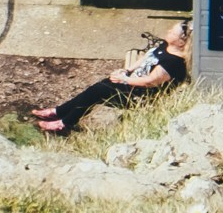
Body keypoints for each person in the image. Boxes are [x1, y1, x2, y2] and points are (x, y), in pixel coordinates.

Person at [31, 18, 190, 135]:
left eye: (172, 32)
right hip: (131, 82)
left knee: (97, 91)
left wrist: (125, 79)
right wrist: (126, 70)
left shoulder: (174, 63)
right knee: (97, 89)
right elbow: (146, 58)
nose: (168, 31)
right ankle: (61, 113)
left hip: (139, 95)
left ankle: (64, 122)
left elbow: (150, 82)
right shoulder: (166, 46)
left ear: (181, 42)